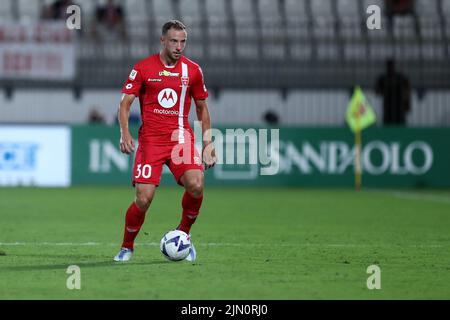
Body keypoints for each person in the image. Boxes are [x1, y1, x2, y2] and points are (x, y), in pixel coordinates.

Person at [114, 20, 216, 262]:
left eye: (183, 41)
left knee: (197, 183)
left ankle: (183, 236)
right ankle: (127, 246)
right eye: (174, 41)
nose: (179, 46)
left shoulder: (193, 71)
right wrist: (124, 133)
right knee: (143, 198)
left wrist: (208, 143)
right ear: (163, 40)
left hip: (180, 138)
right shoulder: (143, 68)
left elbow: (202, 108)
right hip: (151, 141)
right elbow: (125, 104)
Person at [375, 58, 411, 125]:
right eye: (389, 66)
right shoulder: (383, 78)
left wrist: (407, 104)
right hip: (388, 109)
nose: (390, 68)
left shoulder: (400, 77)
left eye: (391, 66)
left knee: (398, 127)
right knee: (389, 126)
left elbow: (407, 90)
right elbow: (377, 91)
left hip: (399, 109)